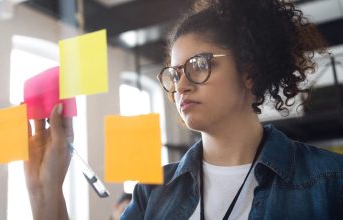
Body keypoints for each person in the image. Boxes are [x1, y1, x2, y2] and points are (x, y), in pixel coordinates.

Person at [24, 0, 343, 219]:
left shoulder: (329, 180)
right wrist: (46, 191)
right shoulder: (153, 193)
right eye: (175, 74)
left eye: (199, 65)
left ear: (249, 71)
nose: (181, 86)